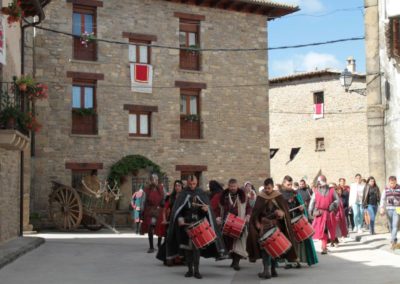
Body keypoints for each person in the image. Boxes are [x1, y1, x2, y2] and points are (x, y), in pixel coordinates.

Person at [166, 175, 225, 279]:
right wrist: (180, 218)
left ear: (197, 183)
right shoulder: (183, 194)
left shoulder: (201, 193)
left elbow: (207, 209)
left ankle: (196, 271)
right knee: (188, 250)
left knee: (196, 249)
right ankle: (189, 270)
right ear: (187, 183)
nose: (192, 186)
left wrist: (206, 209)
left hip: (198, 224)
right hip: (186, 225)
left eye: (194, 184)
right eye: (190, 184)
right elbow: (177, 210)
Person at [247, 178, 298, 279]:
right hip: (263, 225)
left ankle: (273, 269)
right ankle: (267, 270)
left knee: (275, 246)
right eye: (265, 188)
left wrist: (282, 213)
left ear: (272, 186)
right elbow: (255, 213)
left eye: (269, 188)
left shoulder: (278, 196)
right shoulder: (261, 197)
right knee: (265, 247)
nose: (267, 190)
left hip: (276, 224)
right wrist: (256, 223)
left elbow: (285, 212)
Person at [280, 175, 318, 268]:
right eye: (288, 184)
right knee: (286, 242)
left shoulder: (295, 193)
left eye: (291, 184)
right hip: (284, 221)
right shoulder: (279, 195)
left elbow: (299, 205)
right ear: (284, 183)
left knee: (297, 242)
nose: (290, 186)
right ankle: (287, 262)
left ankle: (297, 261)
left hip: (295, 219)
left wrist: (301, 208)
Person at [217, 179, 251, 271]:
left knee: (238, 243)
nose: (232, 188)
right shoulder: (223, 196)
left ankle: (236, 262)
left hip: (239, 222)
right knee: (229, 244)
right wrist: (218, 217)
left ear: (237, 186)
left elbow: (248, 208)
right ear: (228, 186)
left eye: (234, 186)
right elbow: (217, 208)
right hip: (227, 222)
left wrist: (248, 215)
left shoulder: (243, 196)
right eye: (231, 186)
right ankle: (233, 260)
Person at [309, 175, 339, 254]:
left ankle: (331, 242)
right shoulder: (315, 191)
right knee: (323, 230)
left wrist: (333, 205)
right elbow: (312, 203)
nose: (319, 183)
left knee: (331, 230)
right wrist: (311, 212)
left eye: (320, 181)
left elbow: (337, 200)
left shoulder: (332, 190)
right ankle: (324, 247)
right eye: (318, 182)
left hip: (329, 213)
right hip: (320, 213)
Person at [156, 180, 184, 265]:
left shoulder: (185, 196)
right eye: (176, 185)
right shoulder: (171, 197)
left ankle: (180, 259)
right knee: (169, 239)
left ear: (182, 187)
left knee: (180, 240)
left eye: (179, 185)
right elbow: (164, 209)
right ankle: (169, 258)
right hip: (171, 221)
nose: (177, 187)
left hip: (181, 221)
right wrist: (164, 220)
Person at [141, 173, 164, 253]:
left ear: (158, 180)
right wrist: (142, 212)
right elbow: (143, 201)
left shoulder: (161, 188)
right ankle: (151, 246)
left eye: (156, 179)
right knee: (150, 227)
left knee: (160, 228)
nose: (154, 181)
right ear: (150, 180)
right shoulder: (147, 189)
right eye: (152, 179)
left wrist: (162, 206)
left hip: (159, 210)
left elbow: (165, 199)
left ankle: (159, 244)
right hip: (149, 210)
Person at [379, 176, 400, 250]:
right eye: (391, 183)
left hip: (397, 209)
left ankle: (392, 241)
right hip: (388, 209)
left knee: (395, 225)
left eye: (394, 183)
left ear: (396, 181)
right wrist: (381, 207)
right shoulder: (386, 189)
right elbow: (382, 199)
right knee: (390, 226)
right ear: (389, 182)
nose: (392, 184)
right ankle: (394, 238)